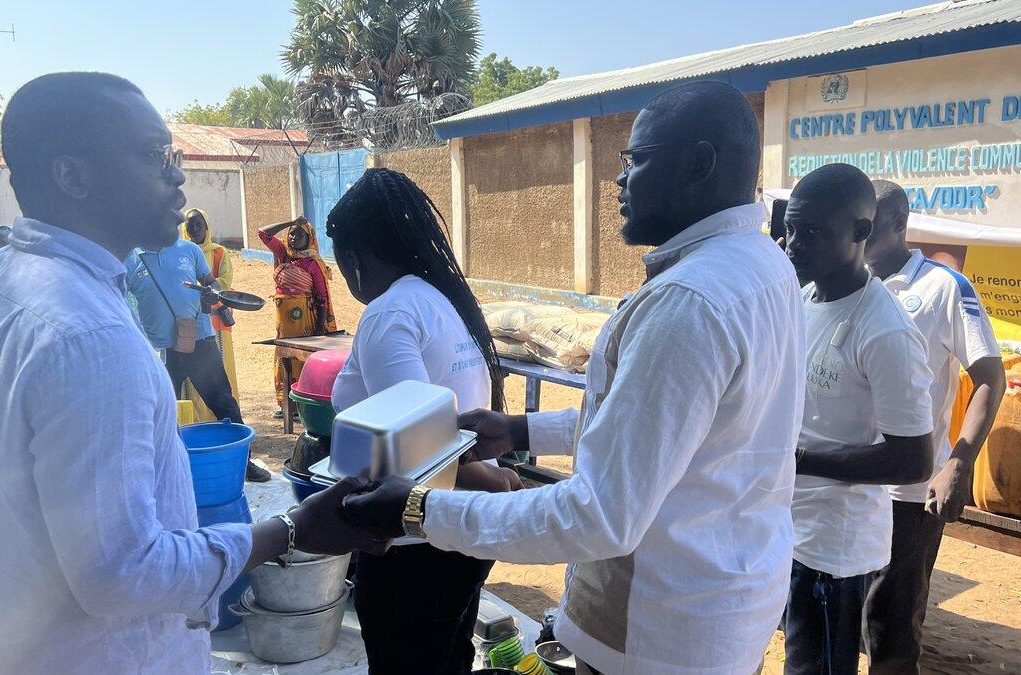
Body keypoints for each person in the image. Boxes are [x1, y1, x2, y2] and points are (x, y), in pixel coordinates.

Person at [0, 72, 385, 674]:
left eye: (175, 154)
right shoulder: (88, 336)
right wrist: (290, 531)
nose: (177, 174)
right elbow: (121, 575)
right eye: (152, 156)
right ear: (73, 176)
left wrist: (33, 531)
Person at [344, 81, 807, 675]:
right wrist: (521, 430)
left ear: (699, 164)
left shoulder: (689, 302)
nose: (618, 180)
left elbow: (597, 517)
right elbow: (661, 426)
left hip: (654, 634)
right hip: (724, 601)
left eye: (635, 160)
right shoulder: (764, 264)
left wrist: (419, 510)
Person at [326, 168, 521, 675]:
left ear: (355, 260)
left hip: (414, 540)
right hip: (462, 531)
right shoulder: (440, 300)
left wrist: (498, 483)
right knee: (447, 657)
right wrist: (492, 485)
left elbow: (417, 443)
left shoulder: (389, 313)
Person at [782, 163, 935, 675]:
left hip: (834, 544)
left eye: (812, 232)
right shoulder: (803, 300)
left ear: (861, 232)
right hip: (787, 524)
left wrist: (796, 459)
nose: (793, 244)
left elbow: (913, 459)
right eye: (791, 228)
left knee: (817, 667)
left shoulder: (884, 327)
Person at [862, 180, 1005, 674]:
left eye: (871, 227)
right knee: (837, 617)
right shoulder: (844, 282)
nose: (859, 237)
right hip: (844, 486)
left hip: (908, 492)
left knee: (893, 627)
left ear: (900, 225)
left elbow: (990, 376)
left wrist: (958, 463)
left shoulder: (943, 287)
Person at [126, 217, 270, 482]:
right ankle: (162, 475)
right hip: (159, 352)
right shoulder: (132, 257)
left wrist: (212, 291)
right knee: (157, 413)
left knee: (225, 404)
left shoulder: (189, 251)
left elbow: (210, 281)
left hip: (200, 342)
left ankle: (243, 463)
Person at [258, 216, 335, 415]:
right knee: (284, 359)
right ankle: (286, 405)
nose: (294, 238)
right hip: (283, 322)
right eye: (291, 234)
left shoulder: (313, 263)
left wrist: (319, 330)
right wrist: (290, 221)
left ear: (309, 239)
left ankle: (302, 405)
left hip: (304, 321)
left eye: (299, 234)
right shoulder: (284, 255)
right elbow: (263, 233)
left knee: (301, 360)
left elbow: (322, 296)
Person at [180, 208, 239, 422]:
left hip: (216, 321)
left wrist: (201, 291)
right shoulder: (180, 253)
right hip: (189, 322)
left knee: (217, 374)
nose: (194, 229)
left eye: (198, 224)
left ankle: (222, 420)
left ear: (207, 227)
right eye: (190, 225)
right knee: (193, 375)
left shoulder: (220, 252)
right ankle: (195, 420)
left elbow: (223, 282)